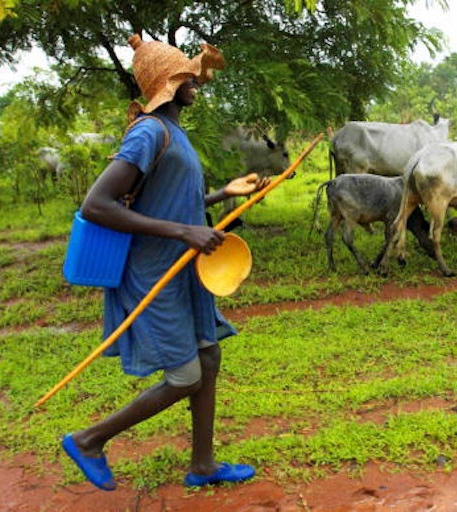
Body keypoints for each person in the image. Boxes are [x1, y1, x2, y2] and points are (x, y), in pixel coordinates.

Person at [61, 33, 270, 491]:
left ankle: (203, 465)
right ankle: (90, 439)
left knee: (208, 356)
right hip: (153, 273)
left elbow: (171, 202)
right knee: (185, 375)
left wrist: (223, 193)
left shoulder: (175, 133)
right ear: (168, 84)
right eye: (187, 77)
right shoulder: (149, 132)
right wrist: (183, 232)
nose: (197, 82)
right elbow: (97, 204)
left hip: (184, 272)